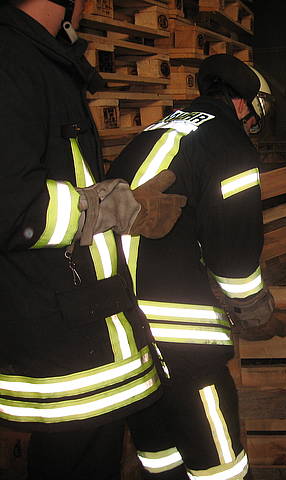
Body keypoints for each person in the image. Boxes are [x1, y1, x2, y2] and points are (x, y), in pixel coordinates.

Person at [0, 0, 188, 478]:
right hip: (62, 347)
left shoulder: (37, 59)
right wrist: (110, 209)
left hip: (77, 331)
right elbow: (11, 206)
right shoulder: (14, 61)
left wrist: (117, 206)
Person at [108, 54, 286, 479]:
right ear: (244, 104)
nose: (252, 128)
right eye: (254, 119)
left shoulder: (158, 131)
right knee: (220, 466)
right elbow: (234, 254)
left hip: (122, 330)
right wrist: (254, 311)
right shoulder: (228, 142)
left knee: (160, 456)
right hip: (183, 338)